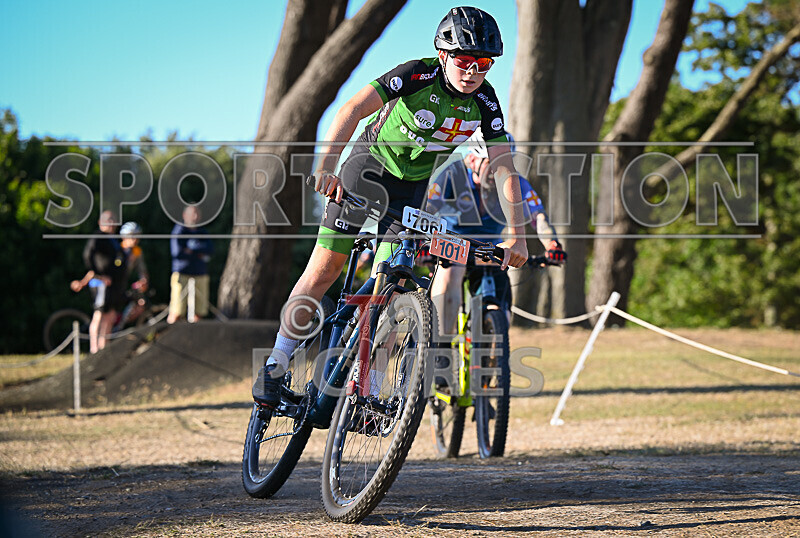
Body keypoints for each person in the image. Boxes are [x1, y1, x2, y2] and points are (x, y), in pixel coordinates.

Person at [253, 6, 531, 408]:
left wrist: (517, 235)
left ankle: (367, 389)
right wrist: (326, 168)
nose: (472, 71)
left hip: (411, 189)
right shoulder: (416, 74)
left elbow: (505, 167)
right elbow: (352, 110)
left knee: (395, 285)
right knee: (325, 268)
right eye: (464, 59)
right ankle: (275, 365)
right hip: (367, 168)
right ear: (444, 56)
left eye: (483, 63)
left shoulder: (485, 103)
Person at [425, 130, 567, 345]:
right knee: (450, 275)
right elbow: (427, 209)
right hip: (451, 241)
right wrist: (420, 241)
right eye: (491, 163)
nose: (497, 171)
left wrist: (552, 244)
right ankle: (440, 348)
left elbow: (537, 216)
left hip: (487, 247)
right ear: (472, 159)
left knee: (501, 297)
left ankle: (492, 358)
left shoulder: (512, 182)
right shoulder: (451, 174)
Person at [70, 210, 126, 353]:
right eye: (108, 221)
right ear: (101, 222)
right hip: (101, 283)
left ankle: (103, 347)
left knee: (110, 315)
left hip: (113, 284)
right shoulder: (98, 237)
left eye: (113, 220)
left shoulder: (113, 239)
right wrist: (99, 275)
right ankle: (94, 349)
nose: (112, 224)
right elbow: (88, 255)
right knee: (99, 314)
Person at [167, 206, 213, 324]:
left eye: (197, 214)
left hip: (200, 273)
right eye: (192, 214)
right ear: (184, 215)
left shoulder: (203, 231)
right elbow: (177, 252)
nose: (195, 217)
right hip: (182, 274)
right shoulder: (179, 231)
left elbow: (210, 250)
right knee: (177, 311)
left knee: (199, 312)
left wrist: (190, 249)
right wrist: (198, 253)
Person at [119, 221, 150, 325]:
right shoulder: (118, 249)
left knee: (141, 304)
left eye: (137, 236)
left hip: (125, 284)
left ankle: (123, 325)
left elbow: (142, 270)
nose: (135, 240)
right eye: (132, 236)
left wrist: (143, 281)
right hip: (114, 284)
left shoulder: (137, 251)